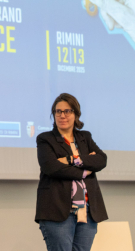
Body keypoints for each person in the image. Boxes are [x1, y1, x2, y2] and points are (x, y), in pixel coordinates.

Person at [36, 93, 108, 251]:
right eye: (58, 111)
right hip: (57, 211)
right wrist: (84, 170)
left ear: (76, 114)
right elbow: (52, 168)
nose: (62, 115)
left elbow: (101, 160)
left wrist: (71, 160)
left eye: (67, 111)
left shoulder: (85, 137)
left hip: (87, 211)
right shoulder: (45, 139)